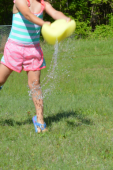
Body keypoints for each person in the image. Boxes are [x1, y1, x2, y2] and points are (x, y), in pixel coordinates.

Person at [0, 0, 70, 133]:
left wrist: (65, 19)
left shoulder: (43, 4)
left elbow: (55, 13)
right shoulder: (20, 0)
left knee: (35, 84)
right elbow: (27, 15)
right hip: (14, 48)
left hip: (33, 50)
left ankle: (40, 120)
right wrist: (43, 23)